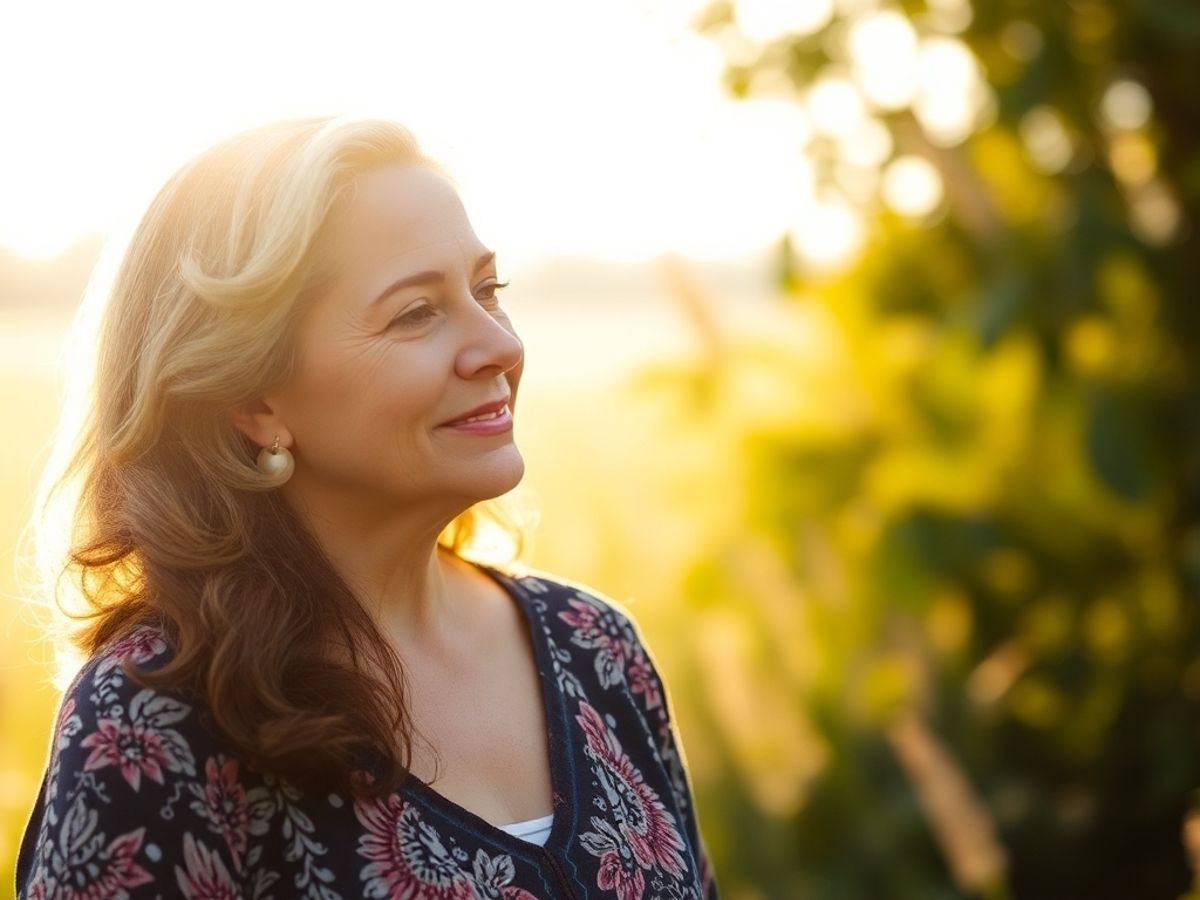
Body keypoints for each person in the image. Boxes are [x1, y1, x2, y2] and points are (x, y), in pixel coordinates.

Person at [15, 116, 718, 899]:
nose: (499, 345)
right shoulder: (153, 717)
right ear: (253, 398)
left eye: (488, 290)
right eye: (416, 312)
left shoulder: (596, 647)